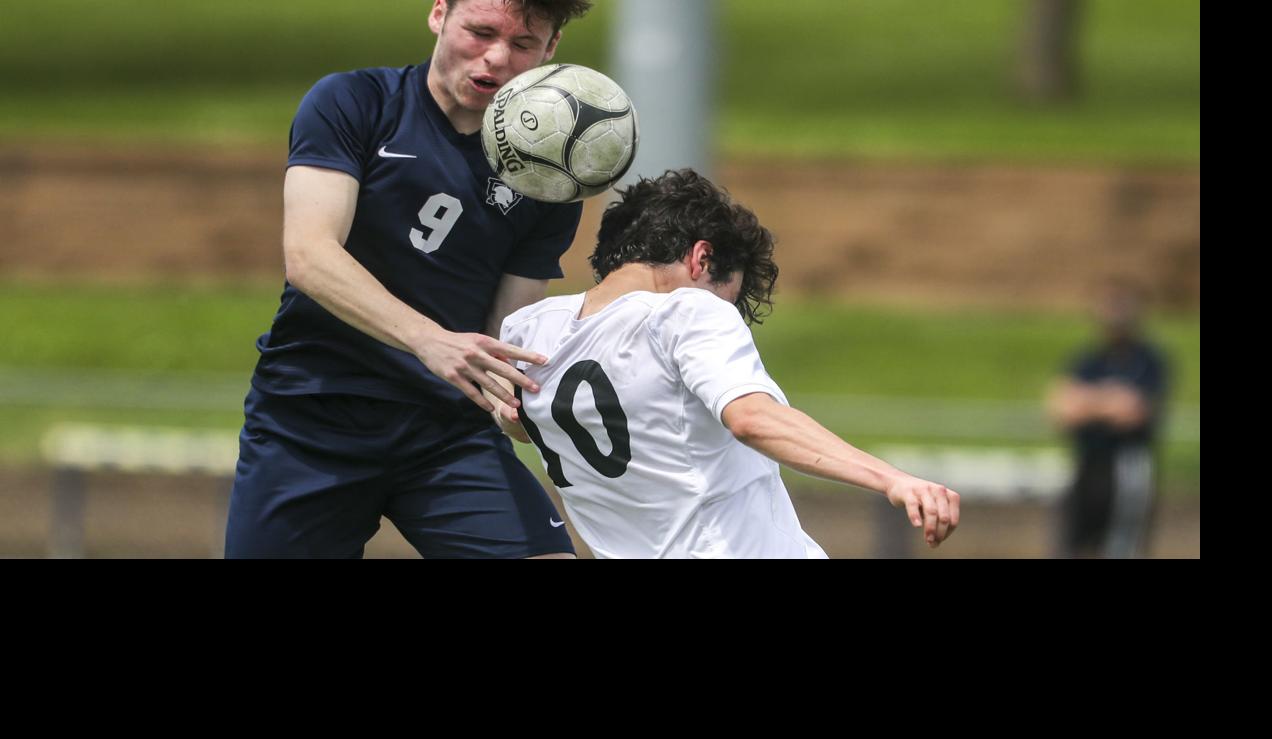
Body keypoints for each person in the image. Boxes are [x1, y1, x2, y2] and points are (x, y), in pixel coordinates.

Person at [224, 0, 598, 559]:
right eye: (480, 32)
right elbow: (309, 255)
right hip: (310, 419)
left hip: (446, 434)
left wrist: (520, 405)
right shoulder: (354, 102)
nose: (497, 58)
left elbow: (506, 332)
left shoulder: (546, 172)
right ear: (439, 14)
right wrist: (430, 340)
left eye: (523, 44)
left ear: (551, 49)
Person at [492, 168, 961, 558]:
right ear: (701, 258)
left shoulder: (527, 330)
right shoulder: (686, 309)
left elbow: (518, 422)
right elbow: (751, 418)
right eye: (729, 296)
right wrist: (893, 480)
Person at [1047, 280, 1168, 558]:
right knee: (1071, 543)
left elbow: (1132, 412)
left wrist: (1088, 400)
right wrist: (1110, 399)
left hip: (1127, 466)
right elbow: (1062, 409)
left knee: (1121, 546)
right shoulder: (1087, 359)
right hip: (1087, 461)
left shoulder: (1147, 360)